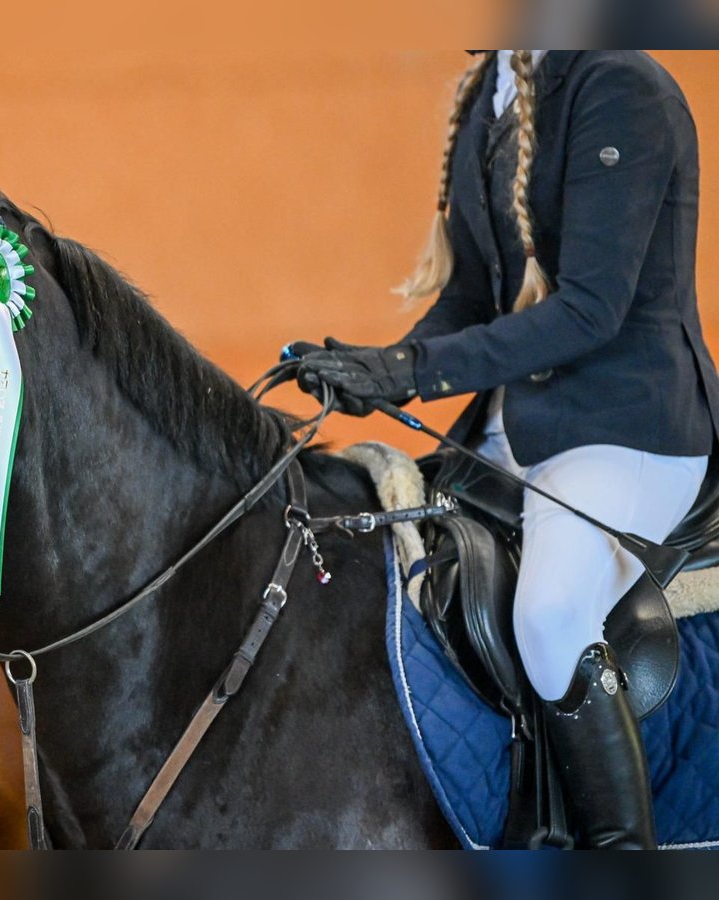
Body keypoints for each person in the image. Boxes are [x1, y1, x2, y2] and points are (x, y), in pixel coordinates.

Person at [293, 50, 719, 849]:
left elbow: (591, 310)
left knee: (553, 613)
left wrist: (415, 370)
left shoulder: (618, 84)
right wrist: (376, 371)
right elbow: (466, 299)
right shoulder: (489, 91)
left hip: (626, 426)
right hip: (511, 429)